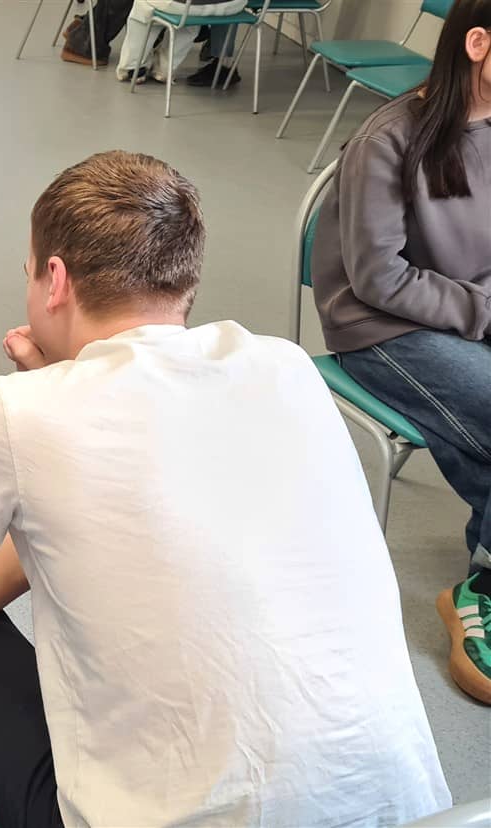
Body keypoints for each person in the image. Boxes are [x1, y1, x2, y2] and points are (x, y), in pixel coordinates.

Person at [0, 151, 452, 828]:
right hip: (401, 814)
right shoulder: (287, 368)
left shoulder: (11, 411)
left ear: (55, 280)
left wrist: (37, 424)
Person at [310, 0, 491, 705]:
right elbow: (378, 278)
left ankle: (481, 578)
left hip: (464, 315)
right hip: (379, 327)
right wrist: (482, 313)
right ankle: (482, 591)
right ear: (478, 44)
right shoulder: (390, 138)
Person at [115, 0, 247, 83]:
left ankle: (133, 67)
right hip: (233, 5)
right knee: (191, 19)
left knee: (142, 7)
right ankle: (165, 69)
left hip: (185, 5)